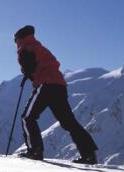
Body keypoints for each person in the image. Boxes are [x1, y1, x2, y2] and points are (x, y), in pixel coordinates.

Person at [14, 25, 98, 164]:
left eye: (15, 40)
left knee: (27, 117)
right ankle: (89, 154)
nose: (15, 43)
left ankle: (35, 150)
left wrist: (26, 73)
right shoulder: (39, 47)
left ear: (19, 38)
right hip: (59, 86)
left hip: (45, 85)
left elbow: (30, 67)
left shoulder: (25, 48)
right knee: (68, 121)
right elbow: (45, 64)